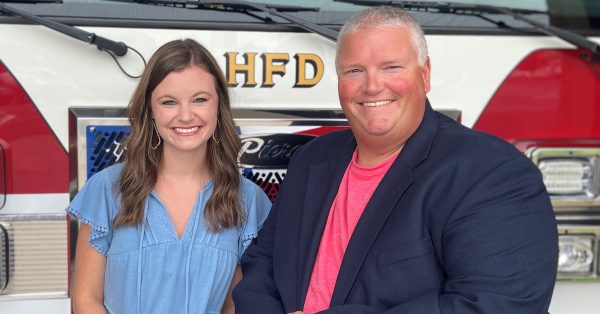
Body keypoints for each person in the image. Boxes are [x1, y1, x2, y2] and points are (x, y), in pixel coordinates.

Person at [233, 6, 558, 314]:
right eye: (355, 70)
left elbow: (496, 305)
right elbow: (263, 263)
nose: (372, 86)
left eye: (391, 67)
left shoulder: (493, 174)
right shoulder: (312, 159)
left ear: (425, 74)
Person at [67, 39, 271, 314]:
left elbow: (234, 305)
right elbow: (86, 300)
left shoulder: (246, 199)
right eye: (169, 102)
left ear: (218, 107)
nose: (186, 115)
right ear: (151, 111)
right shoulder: (107, 189)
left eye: (200, 99)